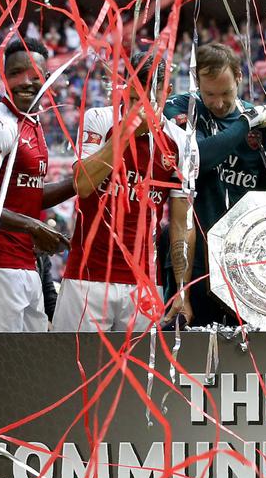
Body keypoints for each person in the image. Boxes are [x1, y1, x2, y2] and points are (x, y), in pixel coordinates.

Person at [53, 52, 190, 332]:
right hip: (87, 279)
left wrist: (182, 289)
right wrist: (126, 133)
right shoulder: (99, 120)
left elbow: (180, 223)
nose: (147, 99)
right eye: (138, 88)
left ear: (169, 91)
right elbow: (82, 184)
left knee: (138, 376)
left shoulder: (181, 142)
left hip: (143, 285)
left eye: (156, 90)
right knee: (74, 373)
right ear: (125, 85)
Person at [162, 44, 266, 326]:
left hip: (245, 266)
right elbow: (197, 158)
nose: (217, 103)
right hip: (193, 263)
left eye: (226, 93)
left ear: (239, 78)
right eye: (209, 94)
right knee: (188, 353)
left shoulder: (260, 119)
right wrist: (245, 124)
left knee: (244, 358)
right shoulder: (180, 108)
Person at [0, 38, 75, 332]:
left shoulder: (31, 124)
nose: (26, 82)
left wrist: (78, 182)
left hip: (24, 263)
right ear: (4, 77)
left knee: (28, 362)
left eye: (35, 75)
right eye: (16, 74)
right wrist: (34, 227)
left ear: (47, 79)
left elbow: (29, 196)